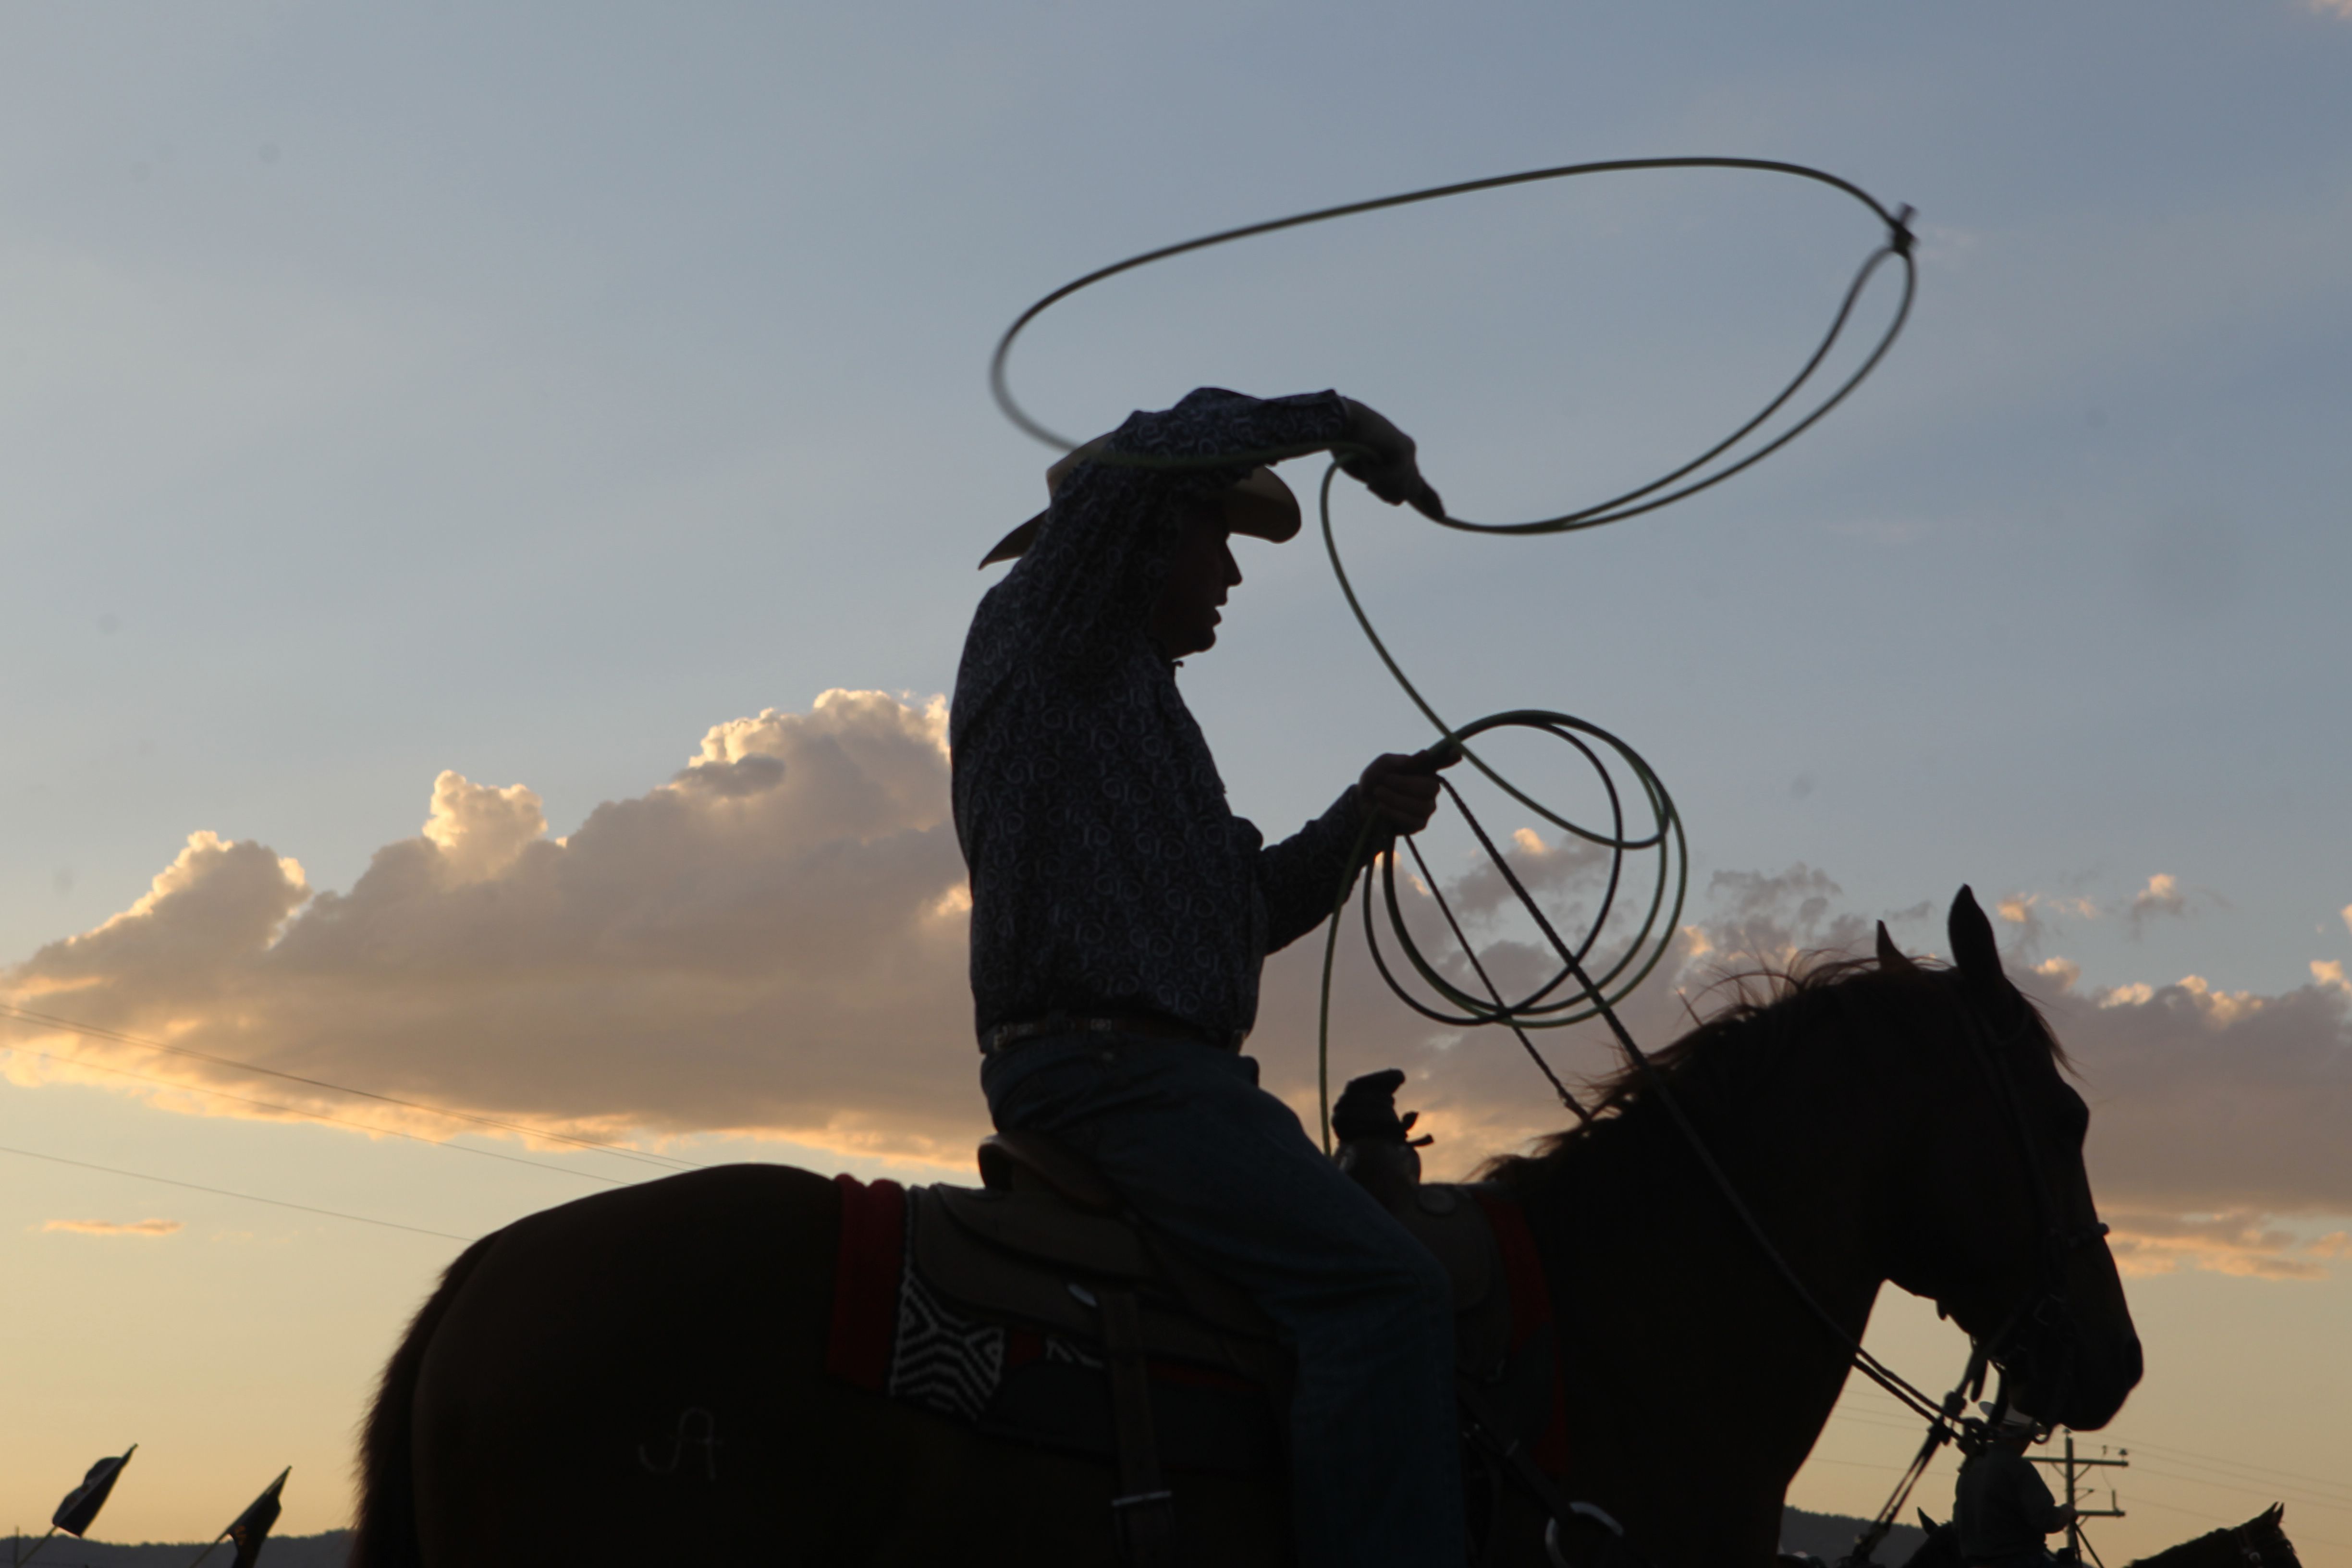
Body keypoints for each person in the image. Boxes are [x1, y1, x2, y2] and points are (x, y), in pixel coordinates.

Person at [951, 386, 1463, 1567]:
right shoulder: (1052, 625)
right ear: (1141, 535)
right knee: (1383, 1294)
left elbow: (1238, 917)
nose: (1230, 574)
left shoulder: (1128, 705)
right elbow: (1152, 449)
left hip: (1142, 1076)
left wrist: (1357, 822)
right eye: (1217, 538)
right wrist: (1343, 421)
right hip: (1121, 1080)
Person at [1955, 1407, 2076, 1568]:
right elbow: (2047, 1520)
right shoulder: (2019, 1468)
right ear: (2022, 1437)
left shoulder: (1971, 1467)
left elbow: (1958, 1524)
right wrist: (2067, 1512)